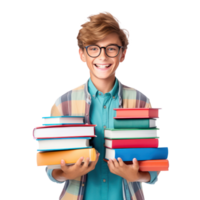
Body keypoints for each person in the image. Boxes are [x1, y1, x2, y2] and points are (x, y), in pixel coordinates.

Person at [43, 10, 161, 200]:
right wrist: (67, 173)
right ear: (81, 54)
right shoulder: (62, 104)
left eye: (111, 48)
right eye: (94, 48)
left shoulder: (142, 101)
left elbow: (154, 163)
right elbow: (51, 167)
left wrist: (137, 176)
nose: (103, 56)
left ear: (123, 54)